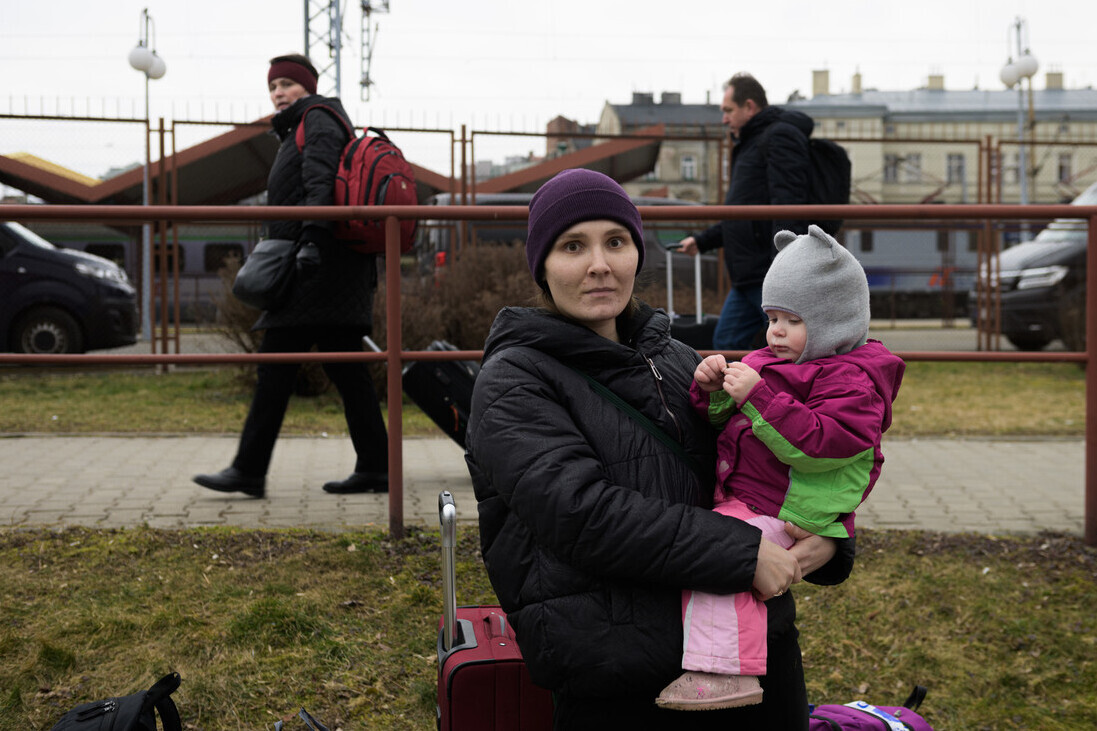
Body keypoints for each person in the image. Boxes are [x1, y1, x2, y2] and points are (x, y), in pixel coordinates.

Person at [465, 169, 855, 730]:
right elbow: (582, 515)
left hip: (749, 652)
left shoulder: (674, 356)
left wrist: (831, 537)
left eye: (615, 242)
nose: (600, 264)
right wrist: (744, 554)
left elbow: (765, 462)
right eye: (574, 246)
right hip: (622, 665)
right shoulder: (514, 382)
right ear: (543, 267)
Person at [655, 225, 905, 711]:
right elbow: (726, 423)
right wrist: (711, 392)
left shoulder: (854, 382)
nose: (775, 332)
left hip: (787, 505)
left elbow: (817, 443)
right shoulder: (769, 361)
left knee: (720, 558)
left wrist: (758, 395)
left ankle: (727, 672)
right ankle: (719, 663)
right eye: (771, 317)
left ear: (834, 321)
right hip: (748, 494)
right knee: (716, 551)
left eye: (792, 319)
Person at [193, 54, 388, 498]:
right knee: (345, 370)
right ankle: (376, 466)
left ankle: (248, 469)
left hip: (314, 267)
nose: (278, 93)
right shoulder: (307, 122)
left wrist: (313, 242)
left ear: (307, 87)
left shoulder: (317, 119)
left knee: (277, 365)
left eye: (286, 84)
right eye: (272, 87)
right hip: (327, 267)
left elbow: (319, 185)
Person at [679, 72, 814, 351]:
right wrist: (702, 240)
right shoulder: (750, 143)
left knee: (787, 348)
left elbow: (789, 203)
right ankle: (745, 394)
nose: (724, 119)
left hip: (767, 270)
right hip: (748, 274)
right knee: (728, 343)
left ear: (749, 107)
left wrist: (784, 263)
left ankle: (775, 394)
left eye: (728, 110)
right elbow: (741, 214)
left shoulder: (778, 136)